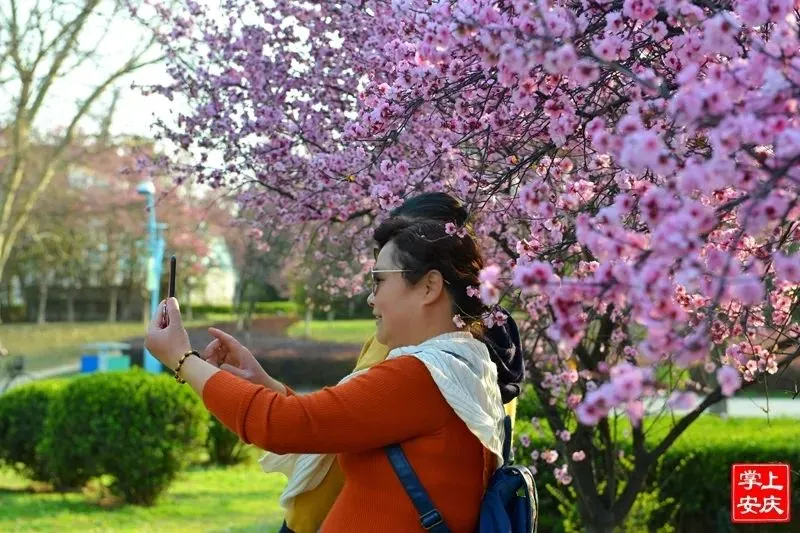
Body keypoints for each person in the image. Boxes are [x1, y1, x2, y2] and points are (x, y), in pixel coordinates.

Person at [145, 213, 518, 532]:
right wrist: (264, 384)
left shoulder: (422, 376)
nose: (371, 298)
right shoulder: (459, 367)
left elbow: (278, 425)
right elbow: (331, 422)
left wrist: (182, 359)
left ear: (429, 286)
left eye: (379, 280)